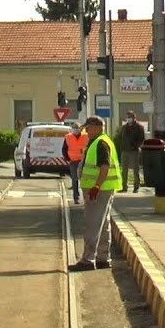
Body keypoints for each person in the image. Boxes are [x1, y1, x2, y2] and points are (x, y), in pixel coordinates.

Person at [69, 115, 121, 271]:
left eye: (89, 128)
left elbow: (104, 167)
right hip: (102, 189)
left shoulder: (101, 143)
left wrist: (96, 187)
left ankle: (88, 260)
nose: (87, 132)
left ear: (98, 128)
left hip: (98, 191)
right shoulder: (98, 141)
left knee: (92, 224)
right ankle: (103, 258)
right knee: (102, 223)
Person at [61, 122, 90, 204]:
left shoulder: (86, 136)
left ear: (80, 128)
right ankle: (76, 198)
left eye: (77, 127)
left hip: (84, 161)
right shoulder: (68, 137)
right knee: (75, 180)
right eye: (74, 127)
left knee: (85, 180)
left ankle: (86, 197)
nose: (76, 129)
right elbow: (64, 149)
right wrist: (68, 158)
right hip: (73, 161)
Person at [118, 111, 145, 192]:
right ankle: (124, 187)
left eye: (130, 117)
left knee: (135, 169)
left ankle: (136, 186)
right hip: (125, 150)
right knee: (124, 170)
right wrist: (121, 147)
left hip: (134, 151)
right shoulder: (124, 127)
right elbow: (120, 138)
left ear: (134, 118)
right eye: (127, 117)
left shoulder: (139, 127)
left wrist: (136, 146)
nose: (128, 119)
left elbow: (141, 139)